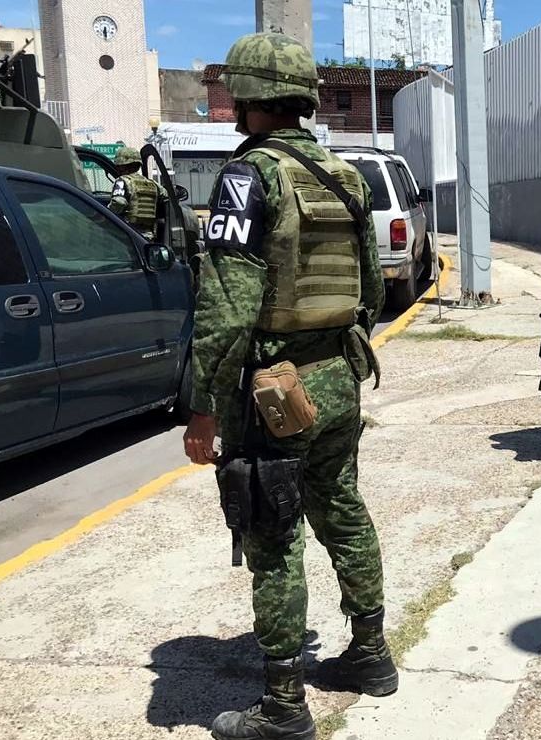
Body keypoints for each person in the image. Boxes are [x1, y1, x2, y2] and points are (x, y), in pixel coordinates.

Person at [180, 31, 395, 740]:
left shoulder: (249, 177)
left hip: (274, 392)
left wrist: (205, 406)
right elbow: (371, 291)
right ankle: (370, 654)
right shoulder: (345, 174)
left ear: (248, 97)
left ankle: (282, 705)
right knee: (342, 508)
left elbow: (227, 307)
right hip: (337, 376)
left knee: (273, 538)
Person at [108, 146, 163, 241]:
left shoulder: (123, 181)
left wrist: (106, 215)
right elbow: (166, 197)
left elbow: (119, 202)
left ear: (122, 166)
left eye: (118, 166)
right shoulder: (153, 184)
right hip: (148, 236)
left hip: (128, 234)